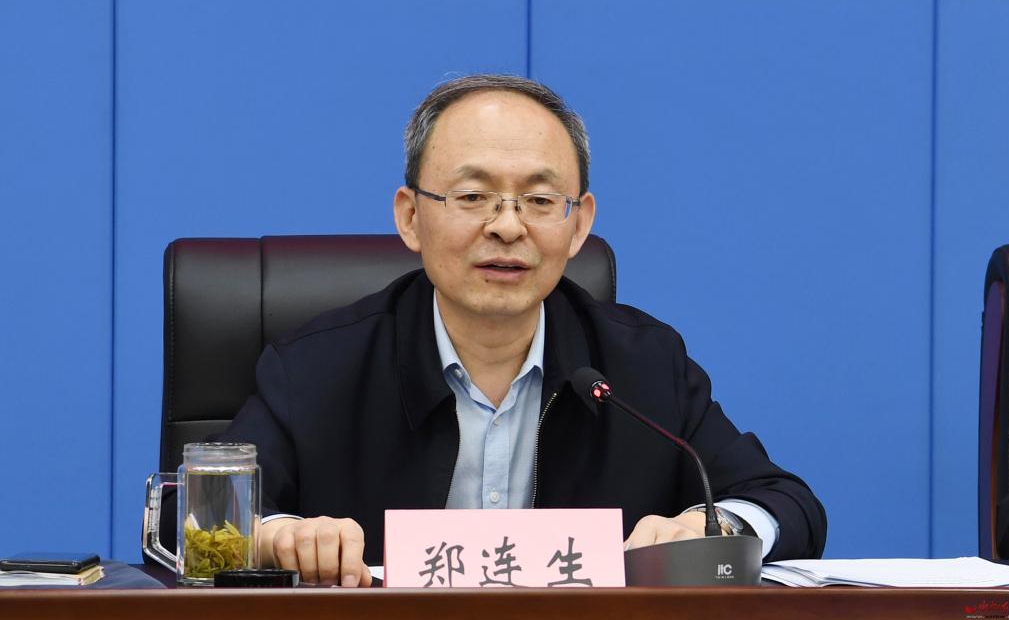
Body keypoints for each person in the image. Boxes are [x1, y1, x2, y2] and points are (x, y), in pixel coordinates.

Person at [219, 74, 827, 586]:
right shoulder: (317, 367)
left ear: (579, 224)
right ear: (410, 217)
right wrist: (276, 536)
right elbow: (195, 511)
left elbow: (787, 503)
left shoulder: (642, 364)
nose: (507, 227)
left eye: (539, 201)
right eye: (473, 195)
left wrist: (712, 526)